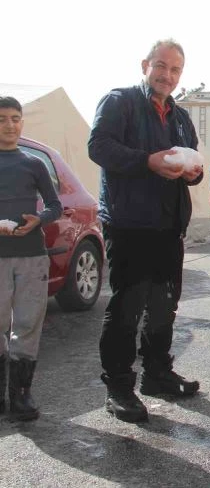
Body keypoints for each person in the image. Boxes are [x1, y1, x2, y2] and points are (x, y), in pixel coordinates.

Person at [88, 39, 203, 423]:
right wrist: (147, 161)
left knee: (164, 305)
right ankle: (119, 387)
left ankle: (157, 373)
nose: (167, 75)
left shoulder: (181, 117)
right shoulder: (119, 102)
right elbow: (98, 147)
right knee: (128, 306)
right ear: (145, 65)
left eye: (175, 70)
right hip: (129, 224)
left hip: (169, 226)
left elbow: (194, 165)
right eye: (161, 66)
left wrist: (193, 172)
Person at [0, 96, 63, 421]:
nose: (9, 125)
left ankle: (21, 395)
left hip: (31, 257)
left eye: (15, 118)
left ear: (22, 122)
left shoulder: (34, 163)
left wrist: (39, 220)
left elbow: (55, 206)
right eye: (1, 120)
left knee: (26, 325)